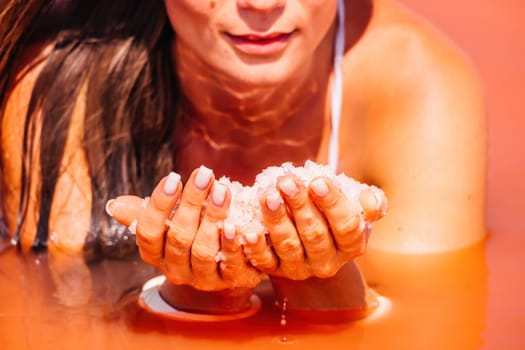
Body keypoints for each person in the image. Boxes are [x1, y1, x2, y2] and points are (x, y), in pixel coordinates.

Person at [0, 0, 487, 320]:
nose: (261, 3)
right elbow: (58, 315)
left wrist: (327, 283)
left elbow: (430, 320)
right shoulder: (65, 84)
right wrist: (191, 296)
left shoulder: (420, 85)